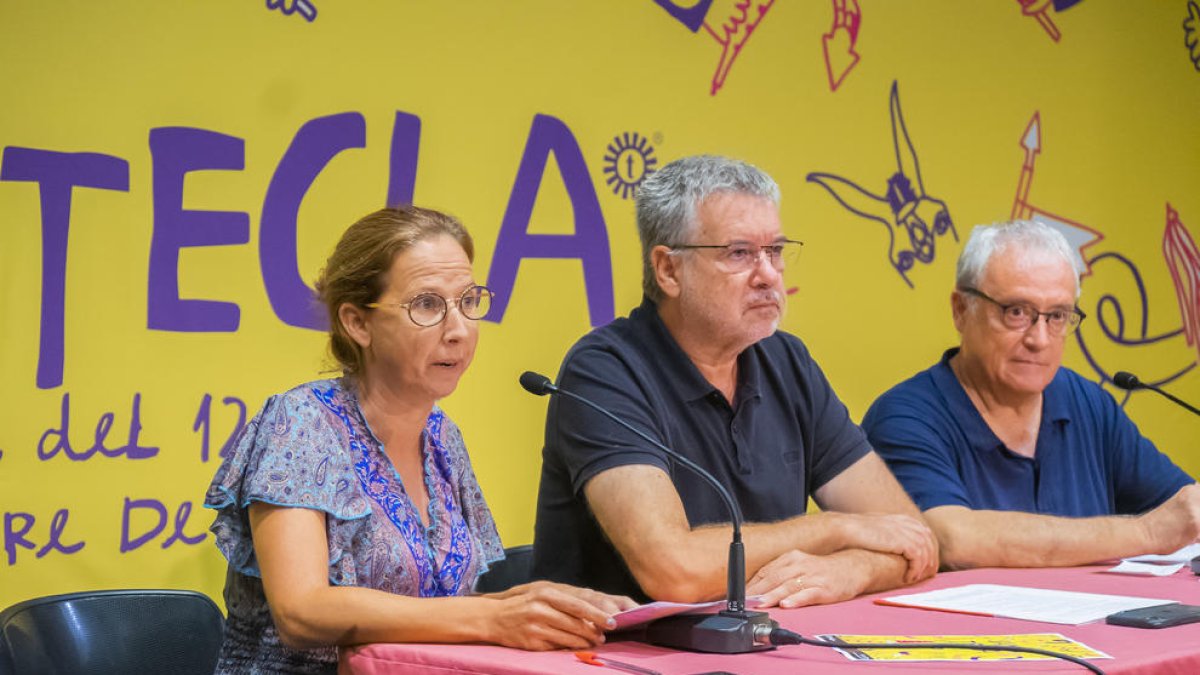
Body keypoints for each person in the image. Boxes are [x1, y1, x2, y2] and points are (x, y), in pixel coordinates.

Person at [204, 206, 634, 673]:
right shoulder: (302, 422)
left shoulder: (442, 438)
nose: (459, 330)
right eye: (428, 305)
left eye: (468, 301)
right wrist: (493, 615)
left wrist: (535, 601)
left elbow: (438, 606)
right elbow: (301, 612)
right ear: (357, 322)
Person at [531, 155, 938, 610]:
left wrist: (849, 569)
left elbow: (914, 540)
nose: (768, 275)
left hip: (763, 648)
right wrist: (834, 529)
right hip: (621, 658)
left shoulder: (788, 362)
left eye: (776, 251)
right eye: (739, 253)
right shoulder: (605, 372)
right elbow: (674, 572)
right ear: (668, 270)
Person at [862, 219, 1199, 570]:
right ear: (961, 310)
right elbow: (952, 539)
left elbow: (1181, 513)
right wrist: (1146, 534)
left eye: (1057, 316)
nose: (1039, 339)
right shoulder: (905, 418)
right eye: (1017, 312)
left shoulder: (1088, 404)